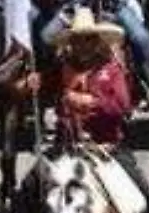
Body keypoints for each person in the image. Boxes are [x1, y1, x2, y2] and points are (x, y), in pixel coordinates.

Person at [53, 8, 135, 144]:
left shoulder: (111, 69)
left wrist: (92, 103)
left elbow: (122, 106)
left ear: (96, 42)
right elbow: (44, 88)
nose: (82, 45)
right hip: (68, 142)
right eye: (77, 40)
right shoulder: (63, 67)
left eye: (87, 39)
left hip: (104, 143)